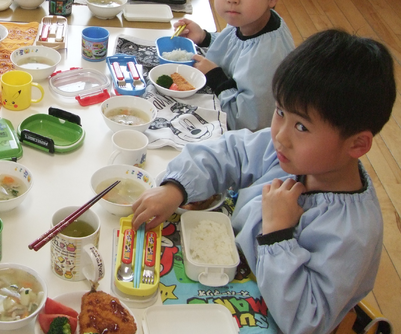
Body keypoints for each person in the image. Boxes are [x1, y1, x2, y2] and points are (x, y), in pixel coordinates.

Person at [132, 29, 395, 334]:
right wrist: (176, 188)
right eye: (280, 112)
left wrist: (278, 234)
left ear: (357, 144)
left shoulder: (352, 232)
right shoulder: (290, 155)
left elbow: (306, 321)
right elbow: (230, 151)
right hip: (234, 272)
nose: (280, 135)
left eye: (301, 126)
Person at [174, 0, 294, 131]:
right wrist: (205, 37)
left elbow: (247, 123)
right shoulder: (250, 20)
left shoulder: (267, 56)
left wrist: (216, 78)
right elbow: (236, 48)